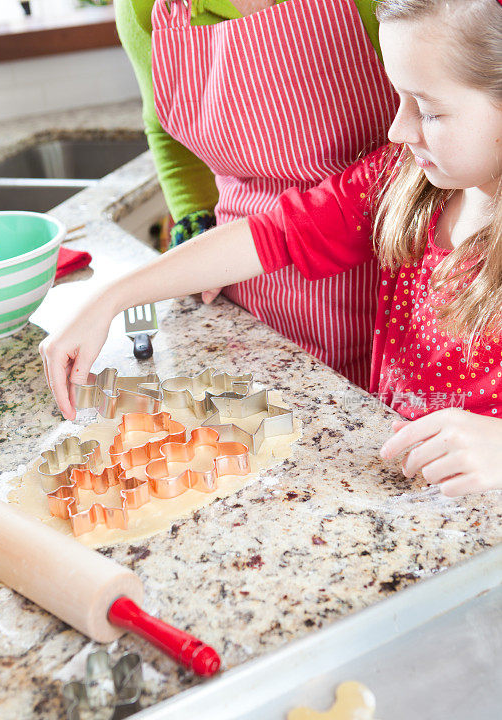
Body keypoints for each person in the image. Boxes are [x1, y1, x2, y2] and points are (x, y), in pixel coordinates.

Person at [40, 0, 502, 498]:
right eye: (398, 99)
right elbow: (272, 234)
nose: (397, 129)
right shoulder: (401, 179)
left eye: (428, 109)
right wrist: (111, 298)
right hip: (401, 486)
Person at [114, 0, 398, 391]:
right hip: (245, 285)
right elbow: (165, 131)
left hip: (387, 273)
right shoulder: (144, 7)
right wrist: (198, 228)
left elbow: (440, 113)